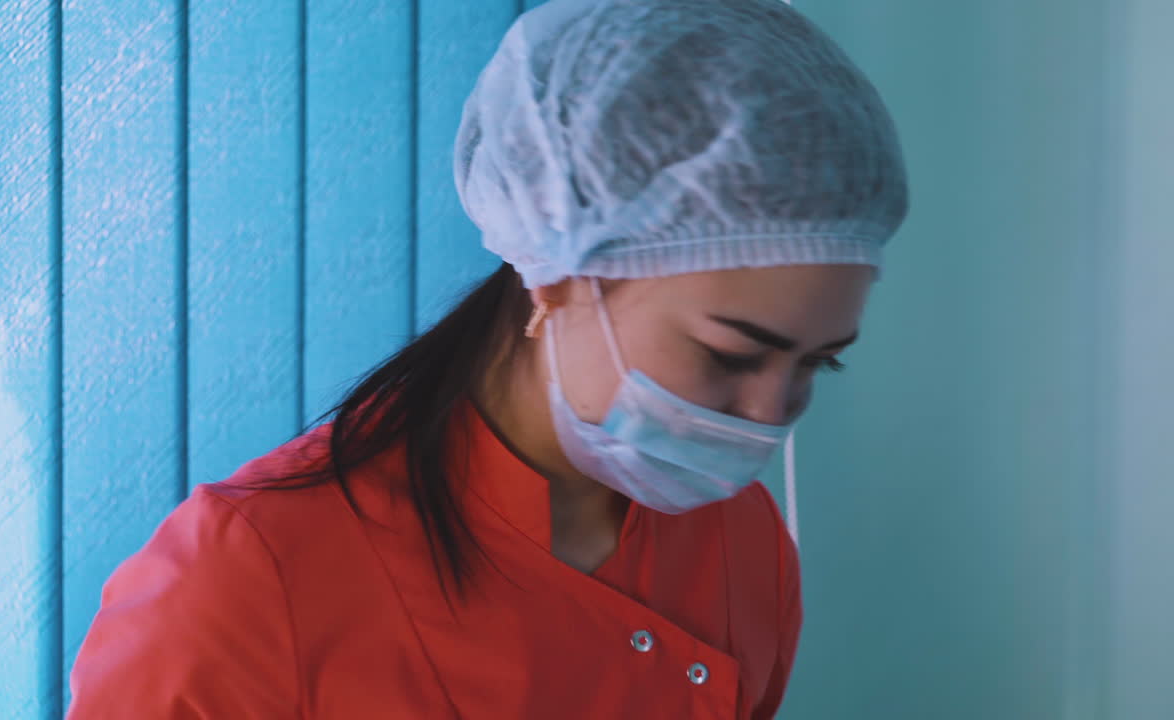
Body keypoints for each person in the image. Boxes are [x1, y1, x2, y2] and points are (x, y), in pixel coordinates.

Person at [65, 0, 908, 717]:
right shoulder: (245, 578)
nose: (770, 413)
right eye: (729, 353)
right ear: (558, 275)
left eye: (816, 365)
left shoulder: (742, 541)